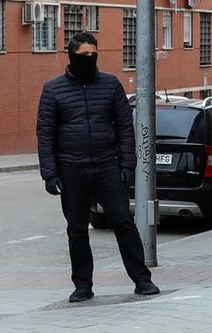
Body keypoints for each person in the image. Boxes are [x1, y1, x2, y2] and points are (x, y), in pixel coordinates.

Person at [37, 31, 159, 303]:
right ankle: (83, 285)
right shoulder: (53, 90)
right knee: (77, 229)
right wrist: (50, 173)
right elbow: (45, 133)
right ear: (71, 56)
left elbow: (126, 127)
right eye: (84, 55)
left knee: (123, 222)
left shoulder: (110, 85)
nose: (89, 59)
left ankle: (142, 279)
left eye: (94, 55)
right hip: (71, 168)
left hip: (107, 166)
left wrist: (128, 164)